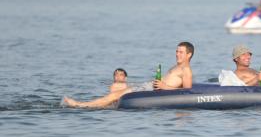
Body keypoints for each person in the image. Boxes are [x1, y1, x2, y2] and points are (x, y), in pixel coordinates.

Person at [63, 41, 195, 108]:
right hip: (149, 86)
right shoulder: (177, 67)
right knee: (115, 91)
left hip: (153, 90)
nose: (177, 54)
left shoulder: (186, 70)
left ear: (189, 54)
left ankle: (80, 105)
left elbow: (187, 92)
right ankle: (87, 105)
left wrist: (164, 86)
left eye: (181, 52)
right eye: (177, 51)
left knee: (114, 95)